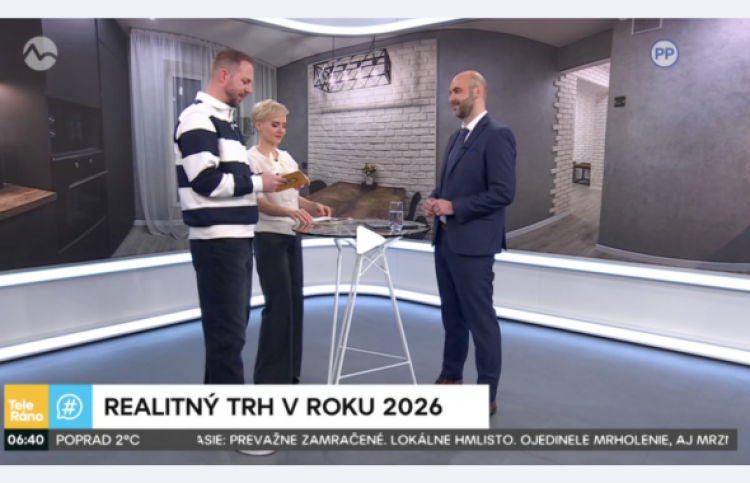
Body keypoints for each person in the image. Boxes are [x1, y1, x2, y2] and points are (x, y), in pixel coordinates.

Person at [173, 49, 286, 456]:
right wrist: (259, 184)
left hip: (234, 239)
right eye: (245, 81)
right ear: (224, 75)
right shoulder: (197, 119)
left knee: (227, 334)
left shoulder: (227, 125)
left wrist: (257, 179)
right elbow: (205, 182)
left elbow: (230, 178)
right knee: (228, 336)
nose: (249, 89)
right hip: (218, 243)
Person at [423, 70, 516, 417]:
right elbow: (449, 185)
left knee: (480, 321)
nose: (451, 98)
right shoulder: (455, 137)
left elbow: (503, 193)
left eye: (457, 91)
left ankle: (486, 393)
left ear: (477, 92)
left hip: (475, 246)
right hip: (445, 242)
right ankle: (451, 375)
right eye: (450, 91)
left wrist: (455, 207)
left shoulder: (498, 134)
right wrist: (435, 199)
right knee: (452, 316)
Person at [246, 99, 332, 386]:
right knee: (278, 305)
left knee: (294, 303)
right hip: (268, 236)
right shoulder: (250, 159)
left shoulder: (286, 158)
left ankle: (290, 371)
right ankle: (269, 378)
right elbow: (257, 202)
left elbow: (294, 198)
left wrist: (313, 206)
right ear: (259, 125)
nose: (281, 130)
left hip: (292, 236)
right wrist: (288, 212)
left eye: (283, 125)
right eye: (275, 125)